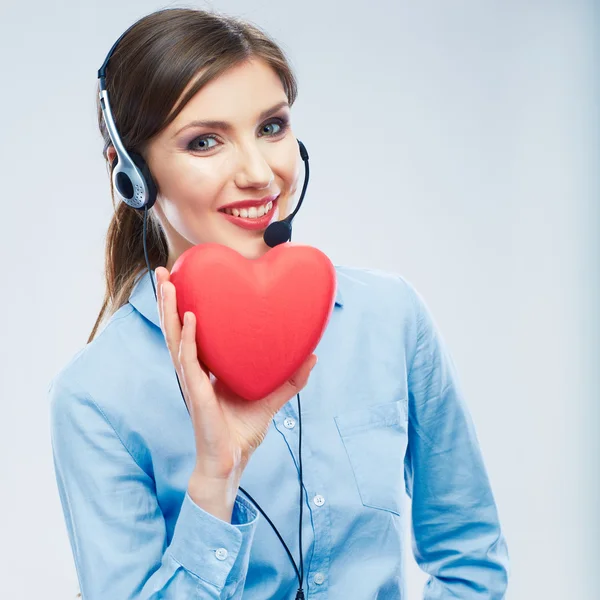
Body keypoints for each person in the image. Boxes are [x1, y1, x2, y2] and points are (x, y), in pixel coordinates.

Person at [49, 7, 510, 600]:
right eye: (205, 141)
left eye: (271, 127)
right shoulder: (95, 397)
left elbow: (470, 555)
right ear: (133, 173)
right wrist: (215, 481)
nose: (260, 173)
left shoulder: (390, 318)